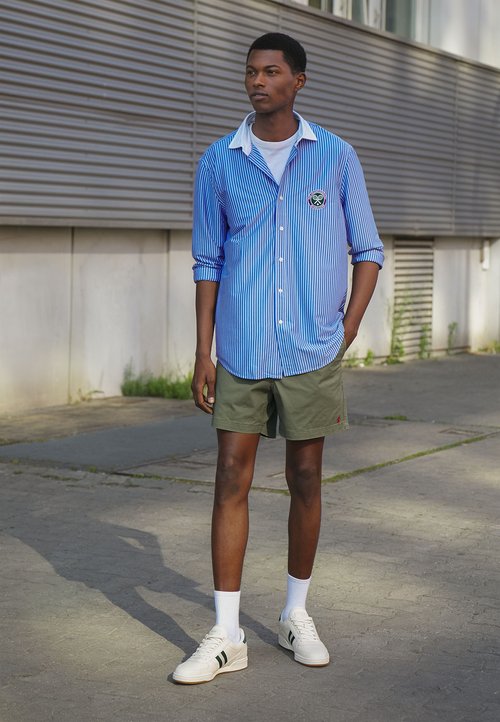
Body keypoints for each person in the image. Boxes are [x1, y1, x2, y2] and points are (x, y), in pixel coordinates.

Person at [173, 32, 384, 685]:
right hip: (241, 347)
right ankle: (226, 633)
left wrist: (346, 329)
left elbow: (367, 251)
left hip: (311, 349)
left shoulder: (335, 156)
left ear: (298, 81)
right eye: (250, 72)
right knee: (230, 477)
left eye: (271, 72)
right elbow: (207, 260)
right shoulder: (219, 161)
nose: (257, 82)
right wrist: (203, 350)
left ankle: (296, 613)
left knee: (306, 478)